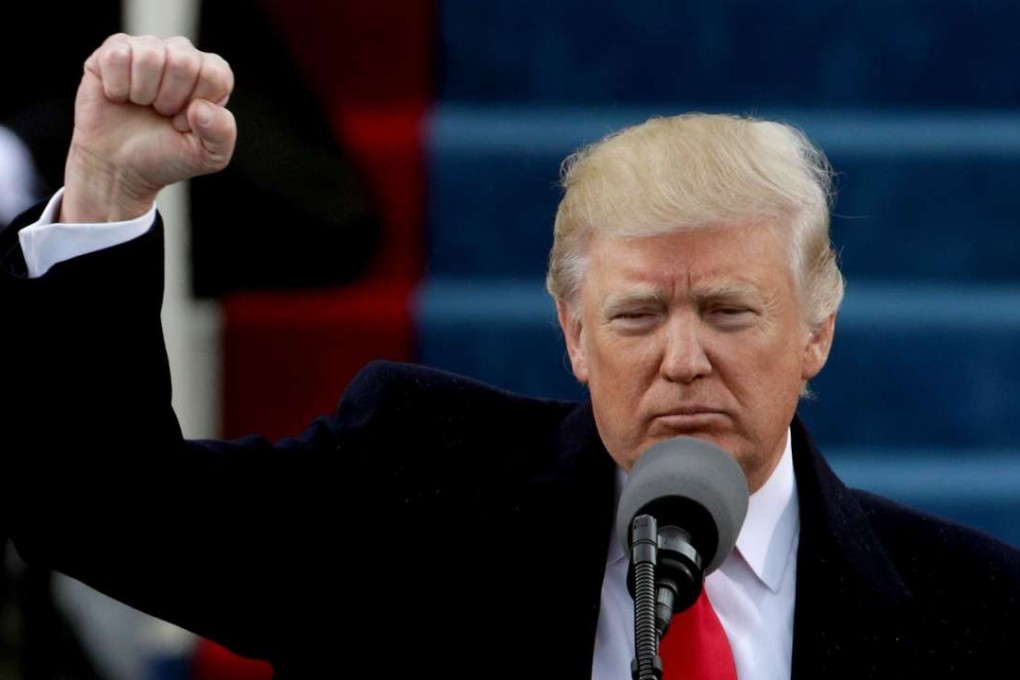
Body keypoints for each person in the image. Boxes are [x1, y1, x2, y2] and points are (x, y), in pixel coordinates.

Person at [2, 32, 1019, 680]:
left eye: (728, 311)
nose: (683, 359)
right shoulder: (414, 486)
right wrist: (106, 196)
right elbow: (100, 505)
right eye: (636, 316)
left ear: (816, 332)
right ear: (574, 334)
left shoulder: (976, 607)